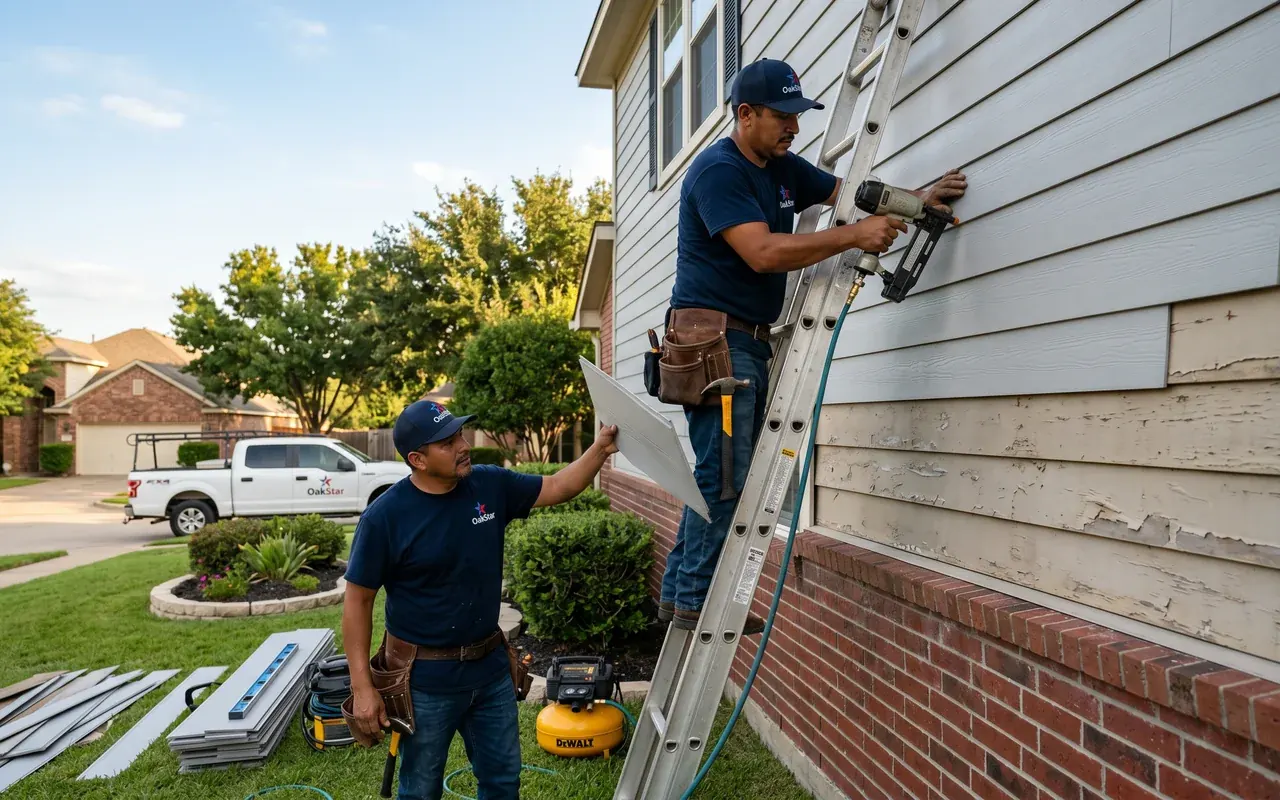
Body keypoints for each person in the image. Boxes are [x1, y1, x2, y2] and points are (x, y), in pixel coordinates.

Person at [658, 58, 967, 631]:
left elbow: (852, 197)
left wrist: (916, 201)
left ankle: (682, 591)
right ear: (745, 114)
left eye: (798, 116)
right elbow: (763, 253)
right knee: (724, 473)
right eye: (783, 116)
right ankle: (695, 599)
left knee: (722, 471)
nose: (794, 128)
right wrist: (854, 236)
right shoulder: (718, 172)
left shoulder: (779, 167)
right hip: (713, 340)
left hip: (743, 340)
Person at [341, 398, 619, 800]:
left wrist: (601, 447)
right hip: (424, 682)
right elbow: (358, 602)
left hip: (490, 673)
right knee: (420, 790)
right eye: (448, 442)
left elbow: (559, 486)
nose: (463, 445)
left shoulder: (488, 484)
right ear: (418, 459)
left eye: (459, 435)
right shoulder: (385, 518)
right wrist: (362, 687)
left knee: (503, 782)